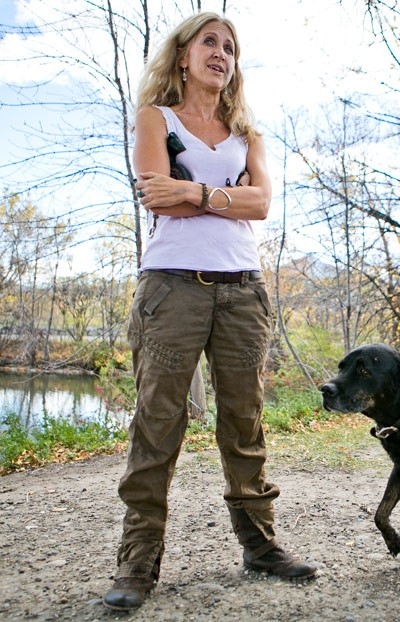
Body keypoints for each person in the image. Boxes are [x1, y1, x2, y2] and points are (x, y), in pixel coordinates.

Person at [103, 12, 317, 612]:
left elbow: (262, 203)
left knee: (244, 423)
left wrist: (193, 192)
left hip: (243, 293)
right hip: (172, 289)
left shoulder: (250, 134)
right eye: (209, 43)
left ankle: (261, 545)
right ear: (182, 55)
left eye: (230, 47)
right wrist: (226, 197)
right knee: (158, 422)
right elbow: (154, 191)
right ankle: (138, 562)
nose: (221, 54)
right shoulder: (157, 120)